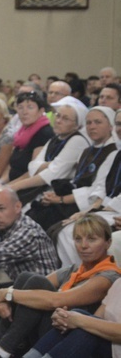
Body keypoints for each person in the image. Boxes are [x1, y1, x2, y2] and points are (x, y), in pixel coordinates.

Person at [0, 215, 121, 358]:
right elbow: (29, 288)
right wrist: (5, 296)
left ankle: (4, 348)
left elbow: (55, 300)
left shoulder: (109, 276)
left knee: (36, 284)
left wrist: (6, 294)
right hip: (55, 325)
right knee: (26, 278)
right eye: (78, 239)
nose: (84, 246)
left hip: (68, 330)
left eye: (92, 239)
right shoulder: (75, 269)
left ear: (107, 243)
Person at [27, 107, 118, 231]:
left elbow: (97, 189)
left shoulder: (113, 152)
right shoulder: (87, 151)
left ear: (110, 126)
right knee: (34, 213)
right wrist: (56, 196)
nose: (92, 126)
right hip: (73, 200)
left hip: (88, 204)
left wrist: (61, 199)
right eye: (88, 123)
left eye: (98, 122)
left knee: (53, 226)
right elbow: (77, 180)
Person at [0, 189, 59, 300]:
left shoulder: (28, 233)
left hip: (37, 296)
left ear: (17, 207)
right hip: (16, 289)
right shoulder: (2, 227)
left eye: (1, 209)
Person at [54, 108, 121, 267]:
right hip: (110, 208)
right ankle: (73, 276)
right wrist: (89, 210)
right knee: (63, 229)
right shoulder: (117, 154)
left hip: (115, 210)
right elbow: (102, 187)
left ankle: (87, 279)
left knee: (73, 232)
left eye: (97, 122)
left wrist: (102, 209)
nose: (120, 128)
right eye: (118, 123)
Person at [2, 98, 89, 204]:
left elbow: (51, 175)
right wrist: (50, 164)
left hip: (58, 194)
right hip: (41, 188)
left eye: (65, 119)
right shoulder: (55, 138)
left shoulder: (77, 140)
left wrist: (13, 187)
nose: (58, 121)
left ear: (77, 125)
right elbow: (33, 166)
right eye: (58, 115)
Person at [24, 277, 121, 358]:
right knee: (78, 318)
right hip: (105, 347)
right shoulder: (118, 283)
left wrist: (78, 320)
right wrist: (65, 318)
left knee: (86, 329)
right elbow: (95, 318)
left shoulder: (107, 276)